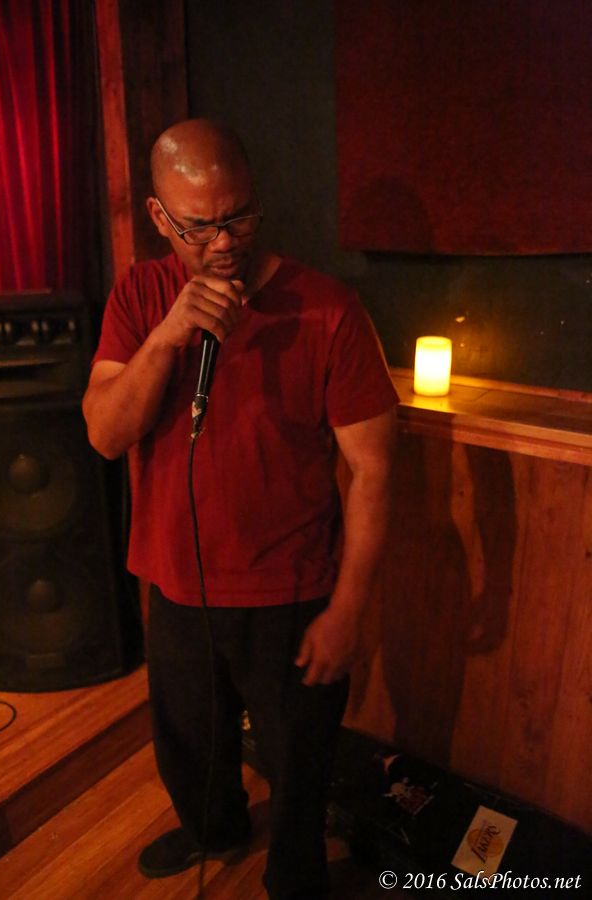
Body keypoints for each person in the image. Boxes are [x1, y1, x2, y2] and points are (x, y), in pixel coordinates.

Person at [82, 119, 397, 900]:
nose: (224, 243)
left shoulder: (329, 309)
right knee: (191, 745)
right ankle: (214, 830)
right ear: (160, 217)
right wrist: (168, 337)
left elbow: (372, 470)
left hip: (288, 591)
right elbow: (105, 435)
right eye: (200, 226)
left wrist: (348, 607)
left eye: (240, 217)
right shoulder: (140, 295)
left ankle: (294, 875)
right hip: (176, 585)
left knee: (299, 760)